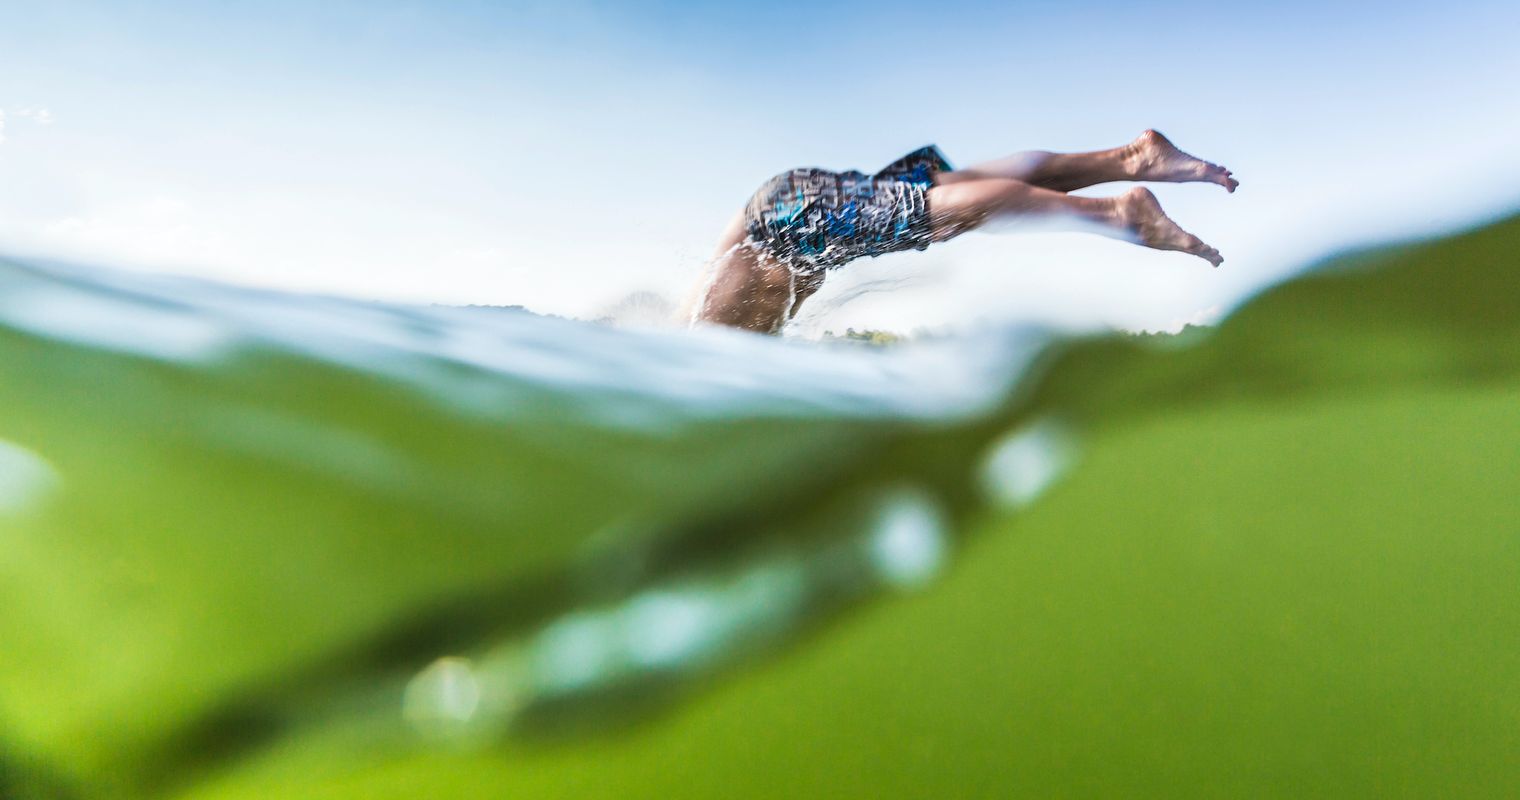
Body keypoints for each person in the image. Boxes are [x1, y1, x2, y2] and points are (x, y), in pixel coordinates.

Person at [690, 130, 1236, 334]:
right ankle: (1130, 157)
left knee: (935, 213)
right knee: (953, 190)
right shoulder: (694, 321)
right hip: (783, 204)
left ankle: (1117, 213)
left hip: (781, 222)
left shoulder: (692, 349)